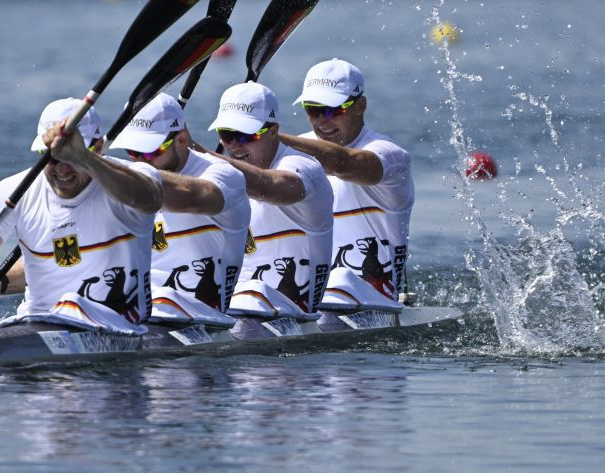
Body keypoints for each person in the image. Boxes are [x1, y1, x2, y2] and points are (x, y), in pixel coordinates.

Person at [0, 98, 164, 335]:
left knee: (72, 306)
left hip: (117, 324)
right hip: (36, 322)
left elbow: (148, 199)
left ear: (97, 148)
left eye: (70, 157)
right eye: (50, 156)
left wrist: (85, 159)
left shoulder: (132, 179)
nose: (61, 169)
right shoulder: (13, 191)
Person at [278, 59, 414, 302]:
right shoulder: (288, 153)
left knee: (340, 281)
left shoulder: (390, 156)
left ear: (361, 105)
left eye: (333, 110)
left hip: (376, 295)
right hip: (310, 292)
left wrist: (266, 137)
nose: (322, 120)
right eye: (313, 109)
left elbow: (341, 163)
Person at [109, 93, 250, 320]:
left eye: (150, 152)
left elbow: (193, 197)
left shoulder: (222, 175)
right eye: (133, 153)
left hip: (203, 314)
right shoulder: (126, 179)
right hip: (141, 305)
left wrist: (99, 165)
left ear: (182, 140)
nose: (140, 162)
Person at [205, 82, 333, 313]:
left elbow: (272, 186)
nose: (233, 146)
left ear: (274, 131)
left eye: (244, 136)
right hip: (238, 305)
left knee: (252, 296)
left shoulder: (302, 166)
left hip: (296, 312)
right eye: (226, 135)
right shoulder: (217, 174)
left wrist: (197, 156)